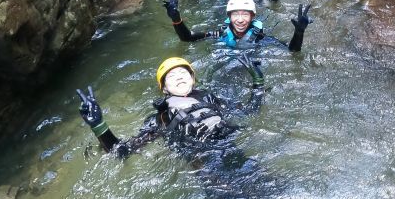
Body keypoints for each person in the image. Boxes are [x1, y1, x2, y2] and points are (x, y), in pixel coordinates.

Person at [75, 54, 265, 156]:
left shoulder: (210, 99)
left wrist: (258, 83)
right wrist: (99, 126)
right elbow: (123, 151)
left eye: (184, 73)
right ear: (164, 89)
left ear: (193, 79)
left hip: (231, 147)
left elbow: (250, 111)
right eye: (172, 77)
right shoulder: (161, 117)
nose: (179, 77)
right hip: (204, 162)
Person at [163, 0, 312, 51]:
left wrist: (299, 32)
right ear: (229, 16)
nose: (240, 20)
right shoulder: (220, 34)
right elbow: (187, 38)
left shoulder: (260, 38)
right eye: (236, 15)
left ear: (253, 17)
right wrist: (177, 20)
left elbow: (291, 50)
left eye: (245, 15)